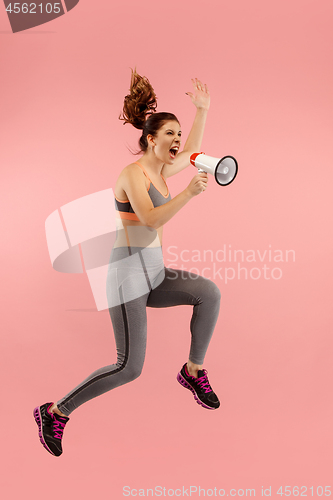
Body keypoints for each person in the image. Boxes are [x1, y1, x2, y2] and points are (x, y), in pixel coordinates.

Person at [33, 69, 222, 457]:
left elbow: (195, 154)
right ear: (151, 139)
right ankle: (55, 412)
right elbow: (151, 220)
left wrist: (202, 111)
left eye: (179, 132)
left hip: (154, 271)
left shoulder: (162, 168)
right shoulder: (132, 174)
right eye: (170, 133)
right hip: (127, 276)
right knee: (129, 367)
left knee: (209, 293)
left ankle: (193, 371)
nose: (178, 140)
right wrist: (189, 193)